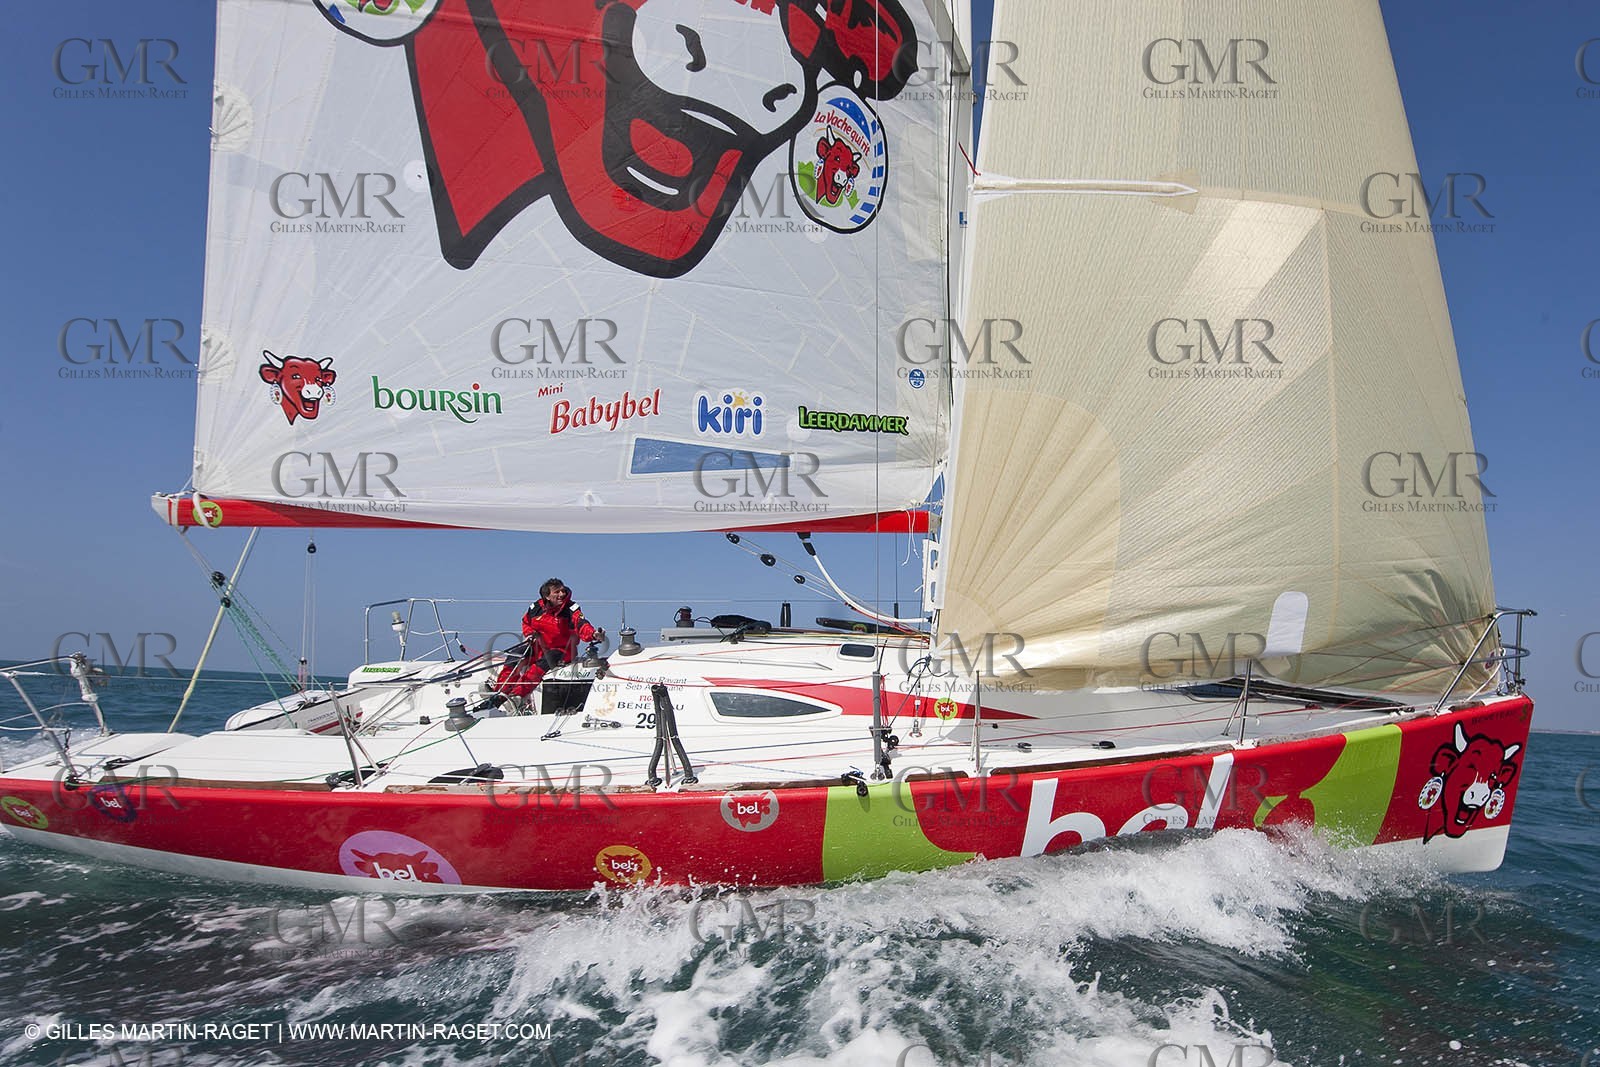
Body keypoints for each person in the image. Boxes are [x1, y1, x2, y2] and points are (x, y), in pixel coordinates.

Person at [492, 578, 605, 713]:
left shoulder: (571, 609)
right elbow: (526, 622)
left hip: (563, 649)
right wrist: (530, 634)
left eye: (563, 591)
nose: (562, 594)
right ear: (547, 596)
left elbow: (581, 624)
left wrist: (593, 634)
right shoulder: (536, 608)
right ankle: (499, 695)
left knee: (542, 664)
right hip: (538, 646)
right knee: (515, 657)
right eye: (557, 592)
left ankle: (517, 696)